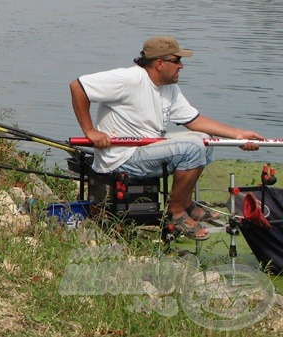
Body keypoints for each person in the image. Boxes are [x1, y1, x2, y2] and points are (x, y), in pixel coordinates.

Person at [70, 35, 265, 241]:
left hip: (146, 149)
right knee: (193, 147)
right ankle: (176, 213)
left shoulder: (168, 87)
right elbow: (78, 86)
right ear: (160, 63)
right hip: (121, 158)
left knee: (204, 139)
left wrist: (238, 135)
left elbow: (194, 120)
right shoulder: (130, 78)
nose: (181, 66)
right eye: (177, 61)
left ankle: (186, 203)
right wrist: (90, 131)